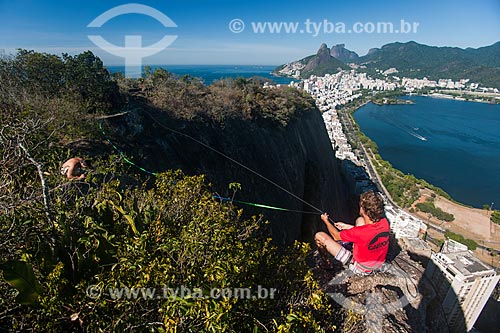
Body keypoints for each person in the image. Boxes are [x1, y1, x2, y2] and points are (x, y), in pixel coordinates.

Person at [315, 190, 390, 275]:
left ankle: (327, 264)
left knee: (319, 236)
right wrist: (347, 227)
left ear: (363, 210)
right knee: (360, 220)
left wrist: (326, 221)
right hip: (378, 265)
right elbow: (368, 232)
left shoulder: (359, 232)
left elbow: (336, 236)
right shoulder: (384, 222)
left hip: (361, 269)